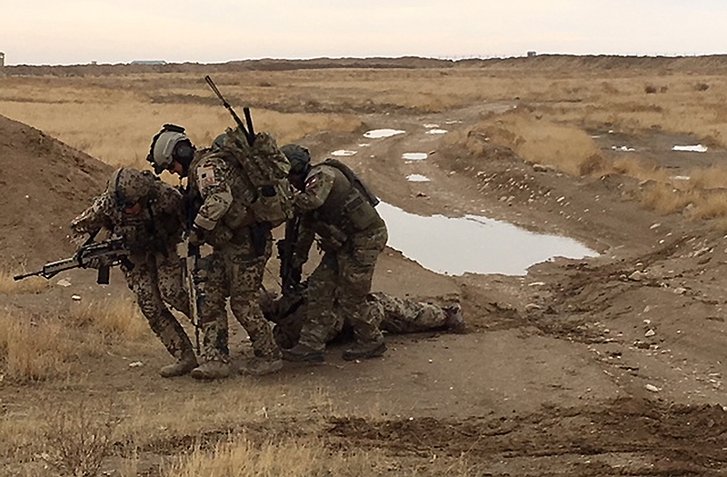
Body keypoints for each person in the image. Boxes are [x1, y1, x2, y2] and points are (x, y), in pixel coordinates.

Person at [146, 124, 282, 379]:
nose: (174, 172)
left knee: (243, 303)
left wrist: (197, 232)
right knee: (210, 299)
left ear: (181, 153)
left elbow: (220, 200)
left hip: (248, 245)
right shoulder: (203, 168)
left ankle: (269, 355)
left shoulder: (206, 168)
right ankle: (215, 359)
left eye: (171, 166)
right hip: (228, 246)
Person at [70, 167, 198, 378]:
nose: (127, 210)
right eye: (123, 206)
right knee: (149, 305)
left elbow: (190, 221)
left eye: (131, 205)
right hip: (133, 256)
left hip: (167, 248)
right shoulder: (106, 204)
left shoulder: (165, 196)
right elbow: (77, 228)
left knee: (173, 293)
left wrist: (188, 244)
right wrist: (93, 254)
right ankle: (183, 356)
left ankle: (213, 338)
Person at [278, 144, 389, 362]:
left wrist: (284, 200)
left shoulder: (322, 174)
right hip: (344, 243)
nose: (288, 181)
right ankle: (311, 345)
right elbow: (306, 231)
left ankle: (371, 340)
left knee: (351, 295)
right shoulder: (307, 187)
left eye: (288, 176)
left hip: (365, 239)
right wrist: (296, 261)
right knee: (320, 287)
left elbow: (313, 201)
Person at [262, 288, 467, 350]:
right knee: (396, 309)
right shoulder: (304, 307)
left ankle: (440, 317)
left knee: (398, 319)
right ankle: (446, 316)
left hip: (346, 330)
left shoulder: (282, 335)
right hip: (357, 319)